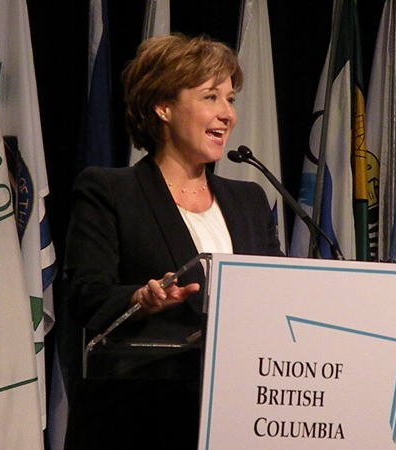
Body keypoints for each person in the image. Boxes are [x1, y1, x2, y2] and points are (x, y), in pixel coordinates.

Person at [63, 33, 282, 449]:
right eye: (210, 97)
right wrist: (140, 300)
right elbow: (85, 295)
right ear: (163, 107)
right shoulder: (110, 190)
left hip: (234, 416)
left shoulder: (249, 200)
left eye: (230, 99)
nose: (227, 114)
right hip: (136, 420)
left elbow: (277, 291)